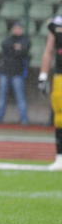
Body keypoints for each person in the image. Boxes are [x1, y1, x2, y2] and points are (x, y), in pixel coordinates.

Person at [0, 20, 30, 125]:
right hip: (5, 71)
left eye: (19, 28)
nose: (17, 30)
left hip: (18, 72)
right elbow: (5, 46)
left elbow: (24, 50)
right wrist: (15, 47)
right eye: (15, 28)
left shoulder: (25, 40)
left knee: (20, 97)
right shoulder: (8, 39)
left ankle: (24, 119)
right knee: (2, 97)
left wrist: (17, 48)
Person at [39, 11, 62, 170]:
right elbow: (49, 51)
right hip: (60, 75)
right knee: (60, 116)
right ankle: (60, 157)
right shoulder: (56, 24)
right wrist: (43, 75)